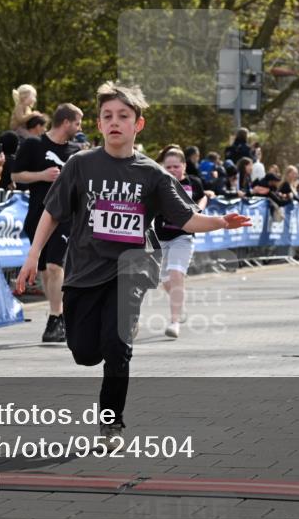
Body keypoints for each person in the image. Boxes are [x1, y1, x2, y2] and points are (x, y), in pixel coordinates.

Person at [16, 83, 250, 450]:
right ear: (98, 123)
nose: (115, 123)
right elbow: (52, 212)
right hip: (84, 272)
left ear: (137, 125)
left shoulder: (153, 174)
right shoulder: (81, 164)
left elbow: (187, 219)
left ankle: (112, 424)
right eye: (107, 116)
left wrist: (222, 221)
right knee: (84, 353)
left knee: (117, 345)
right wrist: (33, 256)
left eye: (123, 116)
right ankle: (111, 337)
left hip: (131, 269)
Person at [12, 103, 84, 342]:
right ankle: (57, 314)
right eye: (77, 122)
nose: (79, 127)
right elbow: (15, 175)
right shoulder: (34, 144)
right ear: (66, 122)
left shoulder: (77, 151)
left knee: (55, 266)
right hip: (37, 215)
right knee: (42, 268)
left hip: (66, 218)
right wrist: (42, 176)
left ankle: (56, 317)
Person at [153, 146, 207, 339]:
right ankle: (180, 304)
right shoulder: (159, 184)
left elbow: (203, 196)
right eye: (169, 167)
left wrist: (198, 209)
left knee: (176, 274)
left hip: (183, 236)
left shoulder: (194, 182)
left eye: (176, 166)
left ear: (184, 166)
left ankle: (174, 322)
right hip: (160, 238)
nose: (173, 170)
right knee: (163, 279)